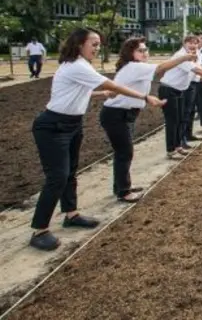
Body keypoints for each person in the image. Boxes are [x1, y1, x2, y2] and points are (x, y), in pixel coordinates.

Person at [29, 28, 166, 251]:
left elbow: (78, 91)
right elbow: (110, 84)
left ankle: (71, 214)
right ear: (79, 43)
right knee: (57, 176)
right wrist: (144, 96)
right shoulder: (76, 65)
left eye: (99, 44)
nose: (97, 47)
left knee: (71, 171)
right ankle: (39, 229)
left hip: (72, 124)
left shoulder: (80, 66)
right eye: (93, 43)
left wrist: (99, 95)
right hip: (52, 126)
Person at [101, 37, 196, 203]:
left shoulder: (136, 67)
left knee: (123, 153)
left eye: (146, 50)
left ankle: (122, 186)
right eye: (141, 50)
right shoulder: (134, 67)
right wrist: (184, 58)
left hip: (124, 114)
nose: (145, 53)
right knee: (125, 152)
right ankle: (123, 191)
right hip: (116, 114)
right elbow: (160, 68)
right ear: (130, 53)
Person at [158, 35, 202, 160]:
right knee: (172, 122)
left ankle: (178, 146)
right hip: (168, 89)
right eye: (190, 43)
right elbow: (197, 70)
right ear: (184, 43)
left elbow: (200, 68)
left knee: (180, 119)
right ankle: (170, 150)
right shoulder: (182, 56)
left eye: (195, 43)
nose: (193, 45)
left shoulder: (193, 57)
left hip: (179, 90)